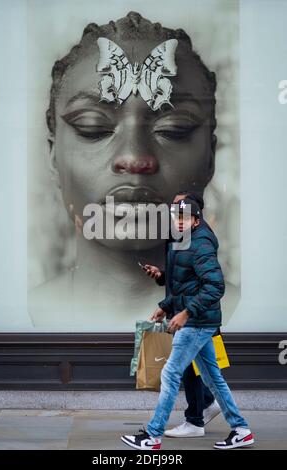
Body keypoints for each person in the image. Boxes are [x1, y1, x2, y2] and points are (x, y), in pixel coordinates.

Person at [29, 11, 238, 329]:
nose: (135, 158)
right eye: (93, 127)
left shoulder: (252, 314)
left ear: (210, 156)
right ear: (53, 155)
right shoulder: (20, 315)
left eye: (174, 128)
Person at [121, 195, 254, 450]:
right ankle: (241, 429)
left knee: (170, 374)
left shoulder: (201, 243)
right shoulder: (185, 240)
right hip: (196, 319)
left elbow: (215, 286)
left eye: (184, 217)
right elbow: (185, 283)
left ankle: (153, 435)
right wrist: (166, 305)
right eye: (176, 216)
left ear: (195, 220)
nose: (178, 222)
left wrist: (186, 313)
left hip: (196, 322)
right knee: (213, 379)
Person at [143, 191, 220, 437]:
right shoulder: (183, 234)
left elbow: (209, 284)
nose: (174, 210)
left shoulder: (200, 238)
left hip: (196, 317)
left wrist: (184, 311)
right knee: (202, 371)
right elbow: (182, 276)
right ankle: (213, 412)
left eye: (179, 206)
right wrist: (162, 279)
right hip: (187, 313)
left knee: (181, 371)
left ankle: (191, 420)